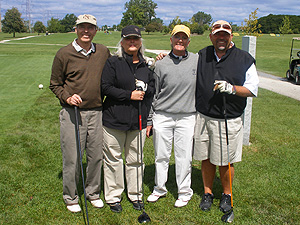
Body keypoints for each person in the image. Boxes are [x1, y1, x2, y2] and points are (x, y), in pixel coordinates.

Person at [193, 20, 259, 213]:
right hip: (204, 116)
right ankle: (207, 193)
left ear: (231, 36)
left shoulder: (244, 58)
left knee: (224, 161)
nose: (221, 37)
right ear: (211, 35)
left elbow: (252, 89)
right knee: (205, 157)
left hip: (227, 118)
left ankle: (226, 194)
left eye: (225, 34)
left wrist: (232, 89)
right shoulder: (203, 54)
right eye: (217, 34)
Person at [49, 14, 110, 213]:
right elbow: (55, 84)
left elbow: (115, 72)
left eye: (90, 27)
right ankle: (71, 196)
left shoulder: (102, 51)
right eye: (82, 27)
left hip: (97, 111)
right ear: (76, 29)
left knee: (95, 156)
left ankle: (93, 193)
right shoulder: (63, 54)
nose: (86, 31)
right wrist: (67, 97)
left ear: (95, 30)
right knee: (73, 157)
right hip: (72, 113)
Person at [101, 25, 155, 213]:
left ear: (140, 42)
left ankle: (135, 194)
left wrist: (145, 88)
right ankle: (114, 196)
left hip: (137, 121)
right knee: (114, 160)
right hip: (114, 120)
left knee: (135, 159)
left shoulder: (146, 65)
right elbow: (105, 87)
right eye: (128, 39)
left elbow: (153, 90)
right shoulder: (113, 62)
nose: (132, 42)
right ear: (122, 42)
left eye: (136, 39)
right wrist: (128, 94)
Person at [146, 25, 198, 208]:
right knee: (161, 155)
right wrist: (150, 120)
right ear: (171, 40)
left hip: (187, 116)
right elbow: (154, 93)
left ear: (189, 41)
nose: (180, 41)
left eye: (184, 38)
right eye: (177, 37)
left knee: (184, 156)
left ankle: (184, 192)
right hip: (163, 115)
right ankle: (159, 188)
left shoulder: (197, 60)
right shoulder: (161, 64)